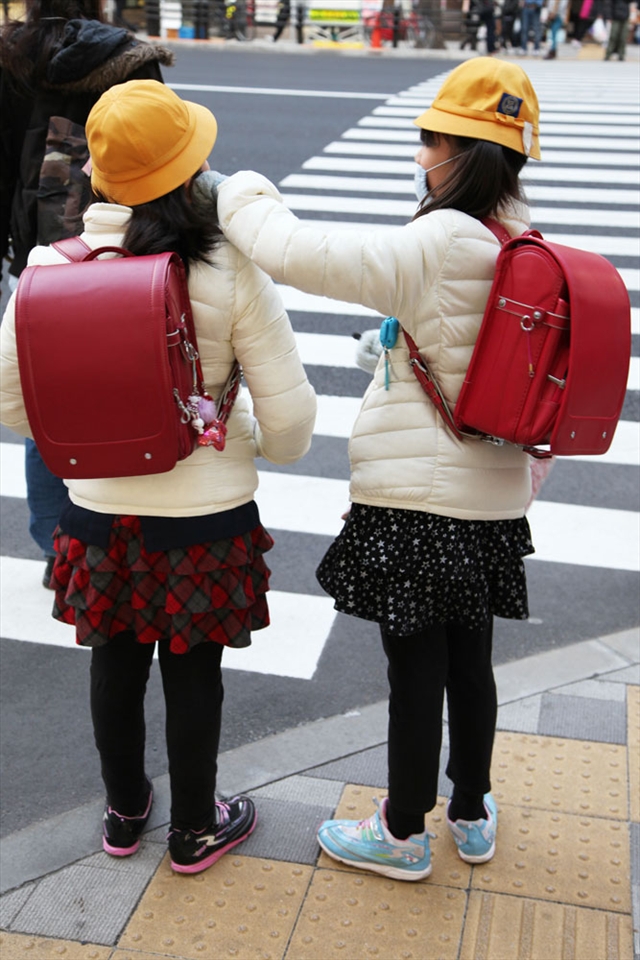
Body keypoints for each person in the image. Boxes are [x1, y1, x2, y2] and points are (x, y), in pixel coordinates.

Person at [198, 57, 539, 881]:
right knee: (470, 665)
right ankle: (470, 811)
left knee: (415, 670)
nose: (419, 155)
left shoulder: (435, 239)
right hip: (492, 498)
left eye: (426, 140)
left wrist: (240, 191)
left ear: (456, 150)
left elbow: (292, 250)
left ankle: (400, 832)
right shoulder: (516, 238)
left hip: (416, 501)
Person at [0, 80, 317, 874]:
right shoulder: (228, 267)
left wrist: (88, 443)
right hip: (207, 511)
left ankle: (124, 809)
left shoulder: (50, 267)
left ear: (98, 178)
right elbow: (290, 421)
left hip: (99, 513)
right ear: (190, 170)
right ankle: (196, 826)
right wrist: (257, 446)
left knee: (113, 658)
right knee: (193, 669)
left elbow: (12, 403)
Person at [0, 0, 173, 587]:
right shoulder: (127, 57)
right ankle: (127, 529)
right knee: (128, 384)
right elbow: (161, 147)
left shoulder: (11, 59)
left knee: (47, 399)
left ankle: (57, 544)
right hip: (124, 248)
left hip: (39, 256)